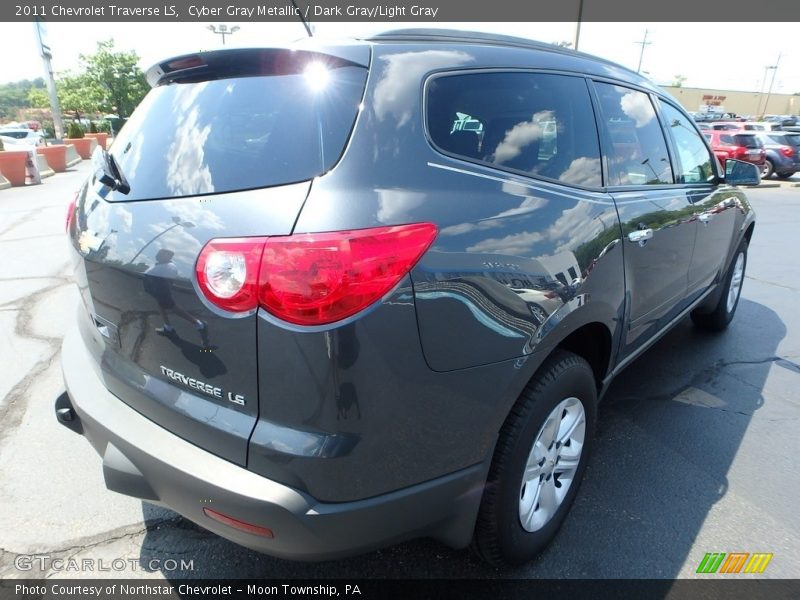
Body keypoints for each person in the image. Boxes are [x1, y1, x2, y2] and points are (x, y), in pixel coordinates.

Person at [144, 248, 207, 340]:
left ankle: (199, 324)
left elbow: (168, 280)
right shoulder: (160, 264)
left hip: (162, 291)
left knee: (173, 308)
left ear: (168, 256)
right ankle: (168, 328)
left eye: (162, 253)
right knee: (162, 306)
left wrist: (160, 289)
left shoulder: (170, 266)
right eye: (159, 253)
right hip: (157, 291)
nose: (158, 254)